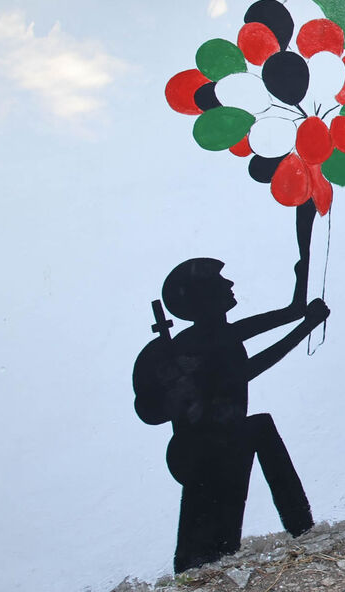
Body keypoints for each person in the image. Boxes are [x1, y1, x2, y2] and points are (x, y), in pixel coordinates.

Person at [133, 204, 330, 572]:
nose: (230, 285)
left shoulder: (221, 333)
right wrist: (306, 327)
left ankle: (300, 530)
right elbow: (251, 368)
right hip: (203, 447)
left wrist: (302, 262)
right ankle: (300, 528)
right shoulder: (198, 343)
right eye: (220, 284)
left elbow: (293, 309)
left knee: (215, 538)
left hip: (223, 437)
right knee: (207, 538)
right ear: (204, 298)